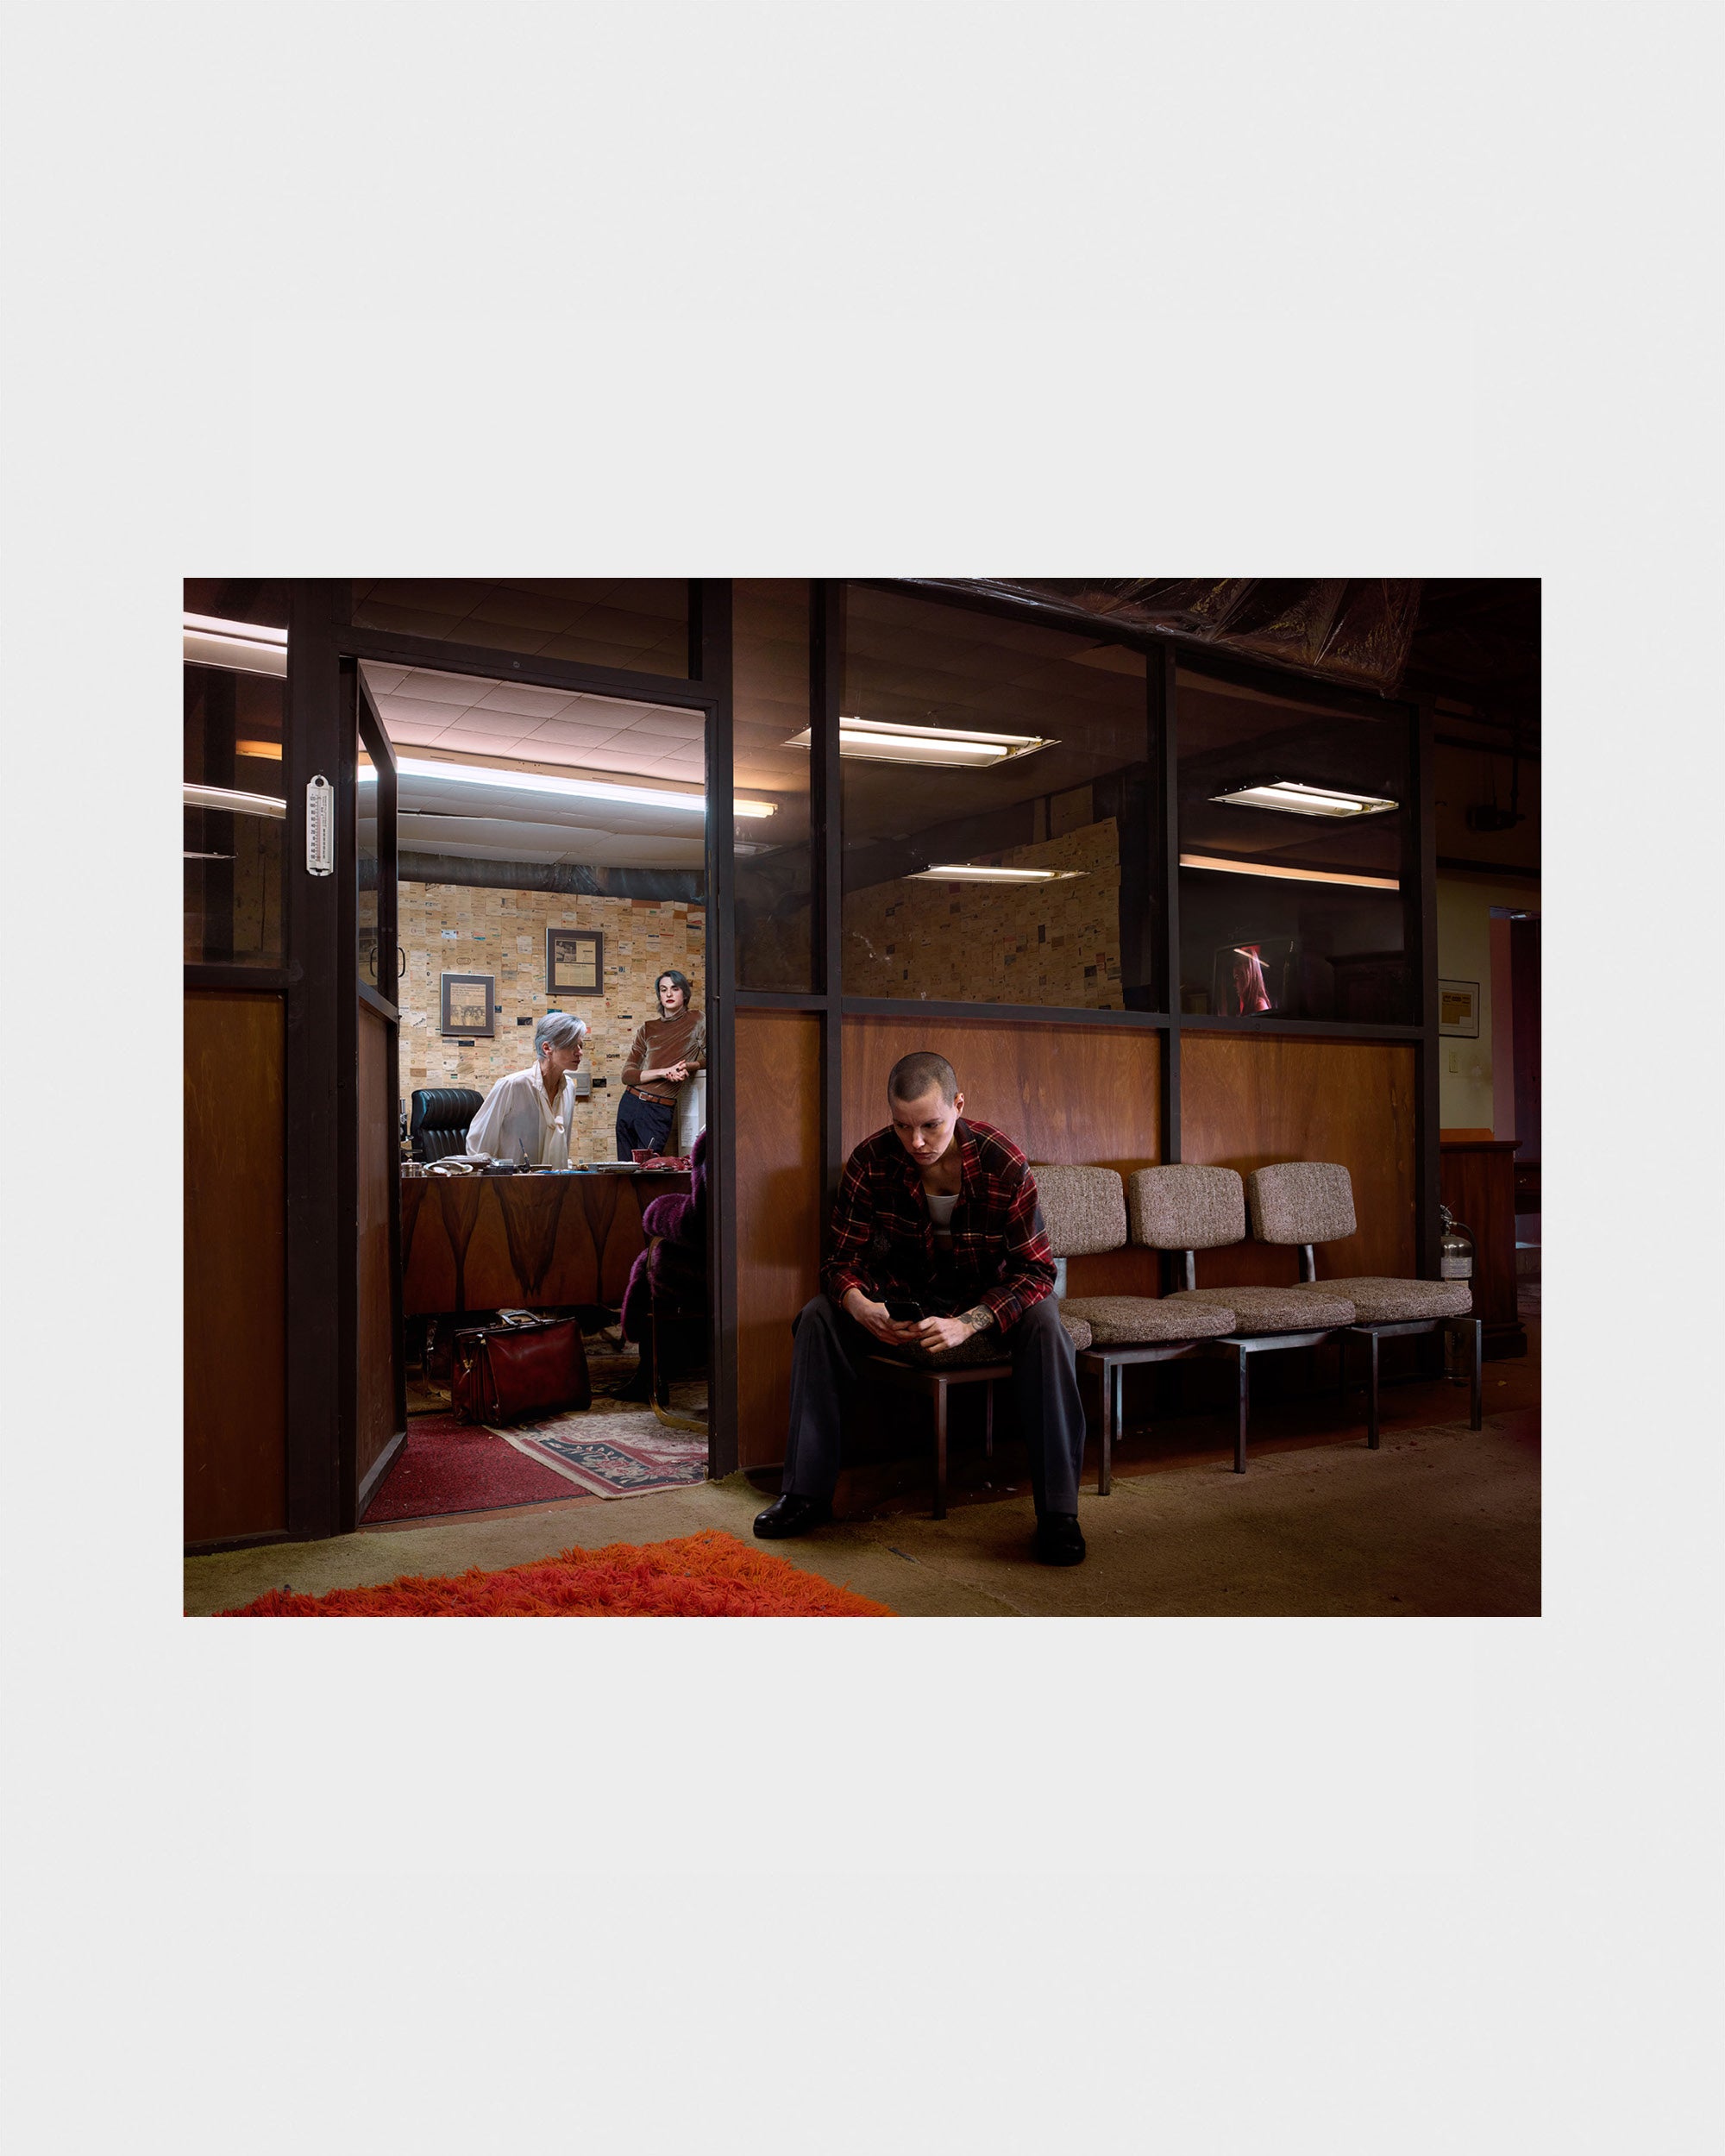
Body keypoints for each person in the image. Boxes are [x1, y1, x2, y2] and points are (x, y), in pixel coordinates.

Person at [753, 1050, 1088, 1566]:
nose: (917, 1142)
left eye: (930, 1125)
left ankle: (1059, 1514)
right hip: (902, 1306)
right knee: (821, 1314)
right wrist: (861, 1306)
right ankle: (805, 1495)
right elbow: (840, 1262)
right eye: (903, 1126)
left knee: (1048, 1327)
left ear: (958, 1104)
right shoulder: (871, 1161)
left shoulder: (1005, 1162)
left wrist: (969, 1324)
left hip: (986, 1307)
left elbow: (1038, 1273)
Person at [464, 1011, 588, 1166]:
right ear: (547, 1048)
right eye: (572, 1045)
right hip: (512, 1184)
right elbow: (477, 1148)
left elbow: (563, 1145)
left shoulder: (569, 1087)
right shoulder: (512, 1085)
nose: (580, 1052)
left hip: (555, 1183)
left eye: (581, 1045)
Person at [617, 968, 705, 1162]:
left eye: (675, 988)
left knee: (649, 1170)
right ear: (659, 995)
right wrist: (665, 1072)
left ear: (685, 993)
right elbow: (627, 1075)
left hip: (658, 1110)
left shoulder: (697, 1020)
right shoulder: (648, 1028)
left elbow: (714, 1059)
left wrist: (687, 1067)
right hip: (630, 1103)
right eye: (663, 990)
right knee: (623, 1172)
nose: (669, 994)